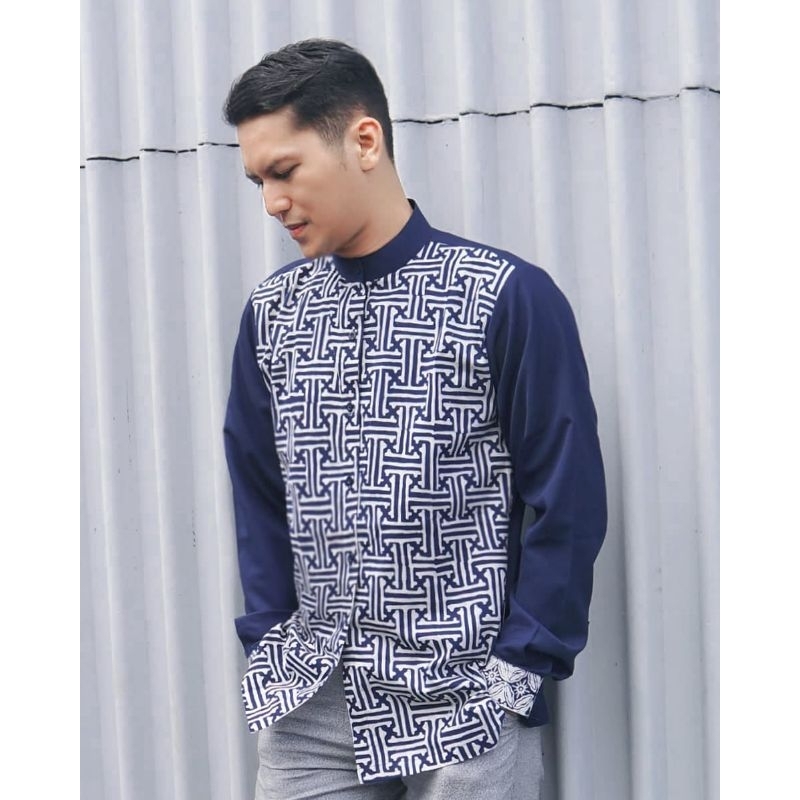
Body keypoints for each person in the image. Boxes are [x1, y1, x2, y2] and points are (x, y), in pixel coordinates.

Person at [222, 38, 607, 800]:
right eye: (258, 181)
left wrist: (520, 669)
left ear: (364, 141)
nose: (271, 202)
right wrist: (269, 638)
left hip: (467, 700)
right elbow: (259, 493)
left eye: (285, 171)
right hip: (313, 700)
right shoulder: (273, 315)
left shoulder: (504, 296)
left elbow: (567, 499)